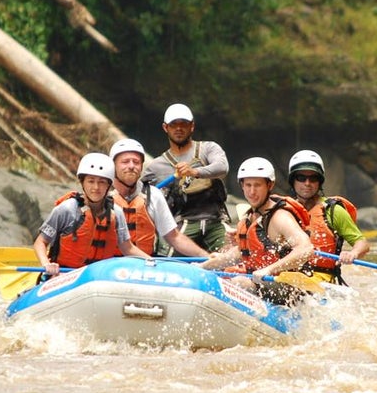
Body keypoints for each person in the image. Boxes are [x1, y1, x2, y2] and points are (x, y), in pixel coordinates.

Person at [201, 157, 314, 303]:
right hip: (261, 283)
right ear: (242, 186)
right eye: (248, 185)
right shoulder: (248, 218)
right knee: (221, 278)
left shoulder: (280, 217)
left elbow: (306, 249)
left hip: (290, 289)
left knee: (239, 282)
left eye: (257, 185)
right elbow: (239, 253)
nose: (252, 191)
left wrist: (269, 269)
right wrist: (202, 267)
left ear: (270, 185)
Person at [33, 152, 153, 278]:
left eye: (102, 182)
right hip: (65, 275)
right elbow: (40, 242)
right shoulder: (67, 209)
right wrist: (47, 264)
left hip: (98, 277)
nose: (96, 187)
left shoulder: (116, 213)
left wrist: (150, 261)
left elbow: (127, 248)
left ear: (108, 185)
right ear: (82, 182)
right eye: (91, 181)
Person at [142, 103, 231, 253]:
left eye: (183, 124)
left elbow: (223, 167)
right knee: (167, 256)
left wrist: (194, 172)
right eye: (173, 125)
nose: (178, 128)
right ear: (165, 128)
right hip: (182, 224)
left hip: (216, 221)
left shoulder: (208, 149)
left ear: (192, 126)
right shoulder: (156, 166)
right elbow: (139, 192)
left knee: (231, 257)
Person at [108, 138, 209, 258]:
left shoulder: (153, 195)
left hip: (145, 264)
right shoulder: (102, 193)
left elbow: (174, 237)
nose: (131, 166)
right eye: (125, 162)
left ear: (141, 166)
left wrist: (205, 256)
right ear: (113, 166)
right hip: (108, 263)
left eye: (136, 162)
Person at [286, 150, 369, 284]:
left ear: (319, 182)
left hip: (322, 281)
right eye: (301, 178)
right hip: (287, 277)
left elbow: (362, 243)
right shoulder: (284, 211)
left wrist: (352, 254)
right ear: (293, 181)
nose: (307, 183)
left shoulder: (333, 210)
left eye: (313, 178)